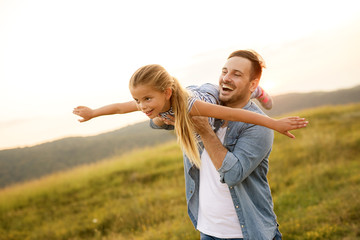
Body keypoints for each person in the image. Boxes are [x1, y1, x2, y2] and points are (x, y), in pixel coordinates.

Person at [151, 50, 287, 239]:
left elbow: (232, 175)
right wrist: (166, 113)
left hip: (247, 233)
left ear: (252, 83)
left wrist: (204, 130)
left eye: (236, 74)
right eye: (224, 71)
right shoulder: (205, 103)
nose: (226, 78)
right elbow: (154, 122)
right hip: (208, 231)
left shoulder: (258, 126)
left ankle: (261, 94)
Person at [73, 63, 307, 168]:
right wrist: (93, 113)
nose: (141, 106)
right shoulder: (151, 101)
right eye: (138, 100)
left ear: (166, 93)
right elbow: (119, 107)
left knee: (237, 94)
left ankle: (258, 90)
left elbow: (236, 114)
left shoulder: (193, 107)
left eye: (146, 99)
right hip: (185, 94)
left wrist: (274, 123)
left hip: (206, 93)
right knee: (156, 118)